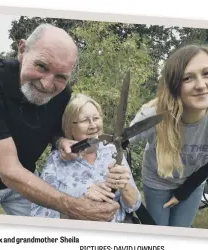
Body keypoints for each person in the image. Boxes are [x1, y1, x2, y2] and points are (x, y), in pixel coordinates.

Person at [0, 23, 119, 221]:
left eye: (61, 76)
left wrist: (59, 142)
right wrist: (72, 205)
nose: (48, 84)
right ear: (22, 50)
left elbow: (52, 129)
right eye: (41, 66)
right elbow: (8, 169)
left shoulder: (63, 93)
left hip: (26, 182)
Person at [126, 44, 208, 227]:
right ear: (174, 85)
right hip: (157, 182)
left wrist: (184, 192)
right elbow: (121, 142)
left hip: (193, 183)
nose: (201, 85)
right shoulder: (151, 115)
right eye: (188, 78)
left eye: (207, 73)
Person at [31, 94, 141, 222]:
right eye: (85, 120)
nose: (93, 125)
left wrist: (125, 186)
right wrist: (79, 203)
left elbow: (134, 205)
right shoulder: (56, 162)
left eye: (96, 118)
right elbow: (39, 215)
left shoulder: (112, 151)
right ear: (70, 128)